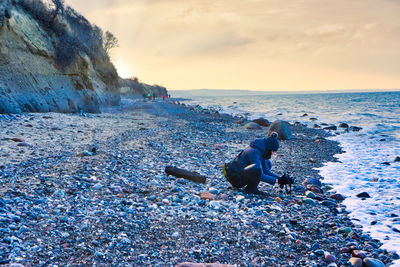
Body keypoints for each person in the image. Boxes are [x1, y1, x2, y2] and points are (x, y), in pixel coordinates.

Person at [222, 132, 286, 195]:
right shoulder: (253, 152)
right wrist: (277, 181)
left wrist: (281, 179)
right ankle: (251, 189)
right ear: (268, 148)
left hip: (241, 174)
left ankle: (251, 187)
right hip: (236, 178)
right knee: (257, 168)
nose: (273, 153)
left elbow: (266, 171)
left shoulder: (261, 151)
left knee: (268, 163)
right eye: (272, 151)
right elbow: (260, 174)